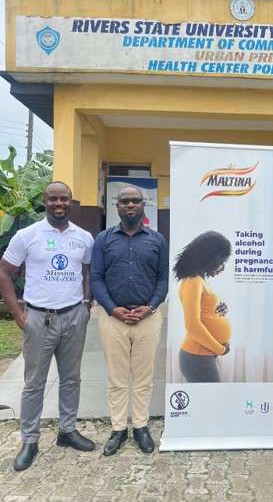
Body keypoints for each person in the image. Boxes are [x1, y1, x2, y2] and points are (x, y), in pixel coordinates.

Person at [0, 182, 95, 471]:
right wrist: (19, 315)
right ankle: (30, 440)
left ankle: (67, 430)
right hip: (39, 318)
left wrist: (86, 304)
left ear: (71, 202)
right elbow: (4, 272)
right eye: (53, 199)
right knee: (34, 383)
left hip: (73, 317)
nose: (58, 203)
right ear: (45, 201)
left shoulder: (84, 238)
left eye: (63, 199)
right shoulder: (27, 236)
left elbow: (88, 271)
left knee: (71, 378)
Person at [91, 186, 168, 456]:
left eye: (136, 201)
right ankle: (118, 428)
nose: (131, 205)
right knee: (117, 377)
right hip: (113, 319)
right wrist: (113, 309)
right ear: (118, 206)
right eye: (125, 201)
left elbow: (163, 279)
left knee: (144, 377)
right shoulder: (103, 239)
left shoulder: (157, 240)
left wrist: (151, 306)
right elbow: (96, 278)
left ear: (143, 205)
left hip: (148, 318)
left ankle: (141, 427)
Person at [174, 231, 231, 382]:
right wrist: (220, 349)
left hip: (203, 354)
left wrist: (220, 309)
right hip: (197, 356)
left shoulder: (198, 280)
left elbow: (204, 310)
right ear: (209, 258)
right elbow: (192, 325)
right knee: (212, 396)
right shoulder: (193, 281)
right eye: (221, 262)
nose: (222, 267)